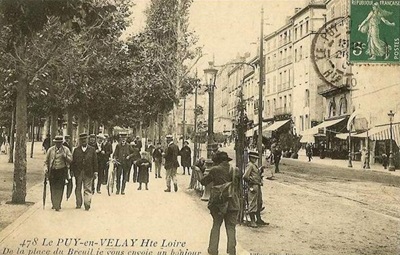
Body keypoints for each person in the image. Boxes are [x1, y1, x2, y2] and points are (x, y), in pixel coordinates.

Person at [198, 151, 241, 255]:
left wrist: (198, 171)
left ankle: (213, 250)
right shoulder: (235, 170)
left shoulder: (215, 170)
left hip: (219, 203)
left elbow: (203, 182)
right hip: (233, 203)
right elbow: (237, 187)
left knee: (216, 226)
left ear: (217, 161)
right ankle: (231, 251)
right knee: (231, 228)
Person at [70, 133, 98, 211]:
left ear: (87, 140)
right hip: (78, 173)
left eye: (85, 139)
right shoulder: (76, 150)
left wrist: (95, 171)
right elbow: (73, 162)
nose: (83, 141)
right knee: (78, 188)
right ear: (80, 141)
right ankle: (78, 203)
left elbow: (95, 161)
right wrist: (72, 171)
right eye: (82, 140)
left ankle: (87, 204)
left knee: (87, 189)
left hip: (89, 172)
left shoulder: (92, 150)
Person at [44, 135, 72, 211]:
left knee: (60, 187)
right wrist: (46, 169)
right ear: (55, 143)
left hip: (62, 171)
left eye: (60, 143)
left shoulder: (66, 150)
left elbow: (71, 160)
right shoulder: (50, 150)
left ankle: (58, 204)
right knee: (52, 187)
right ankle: (54, 203)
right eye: (57, 143)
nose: (58, 144)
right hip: (52, 171)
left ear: (62, 143)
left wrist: (65, 156)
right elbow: (46, 161)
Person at [244, 151, 268, 228]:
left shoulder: (254, 165)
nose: (255, 160)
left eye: (256, 158)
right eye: (254, 158)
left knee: (258, 202)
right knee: (253, 203)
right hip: (253, 186)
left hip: (257, 185)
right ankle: (252, 221)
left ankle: (258, 219)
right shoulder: (250, 165)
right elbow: (245, 176)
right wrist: (251, 182)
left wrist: (260, 171)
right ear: (251, 158)